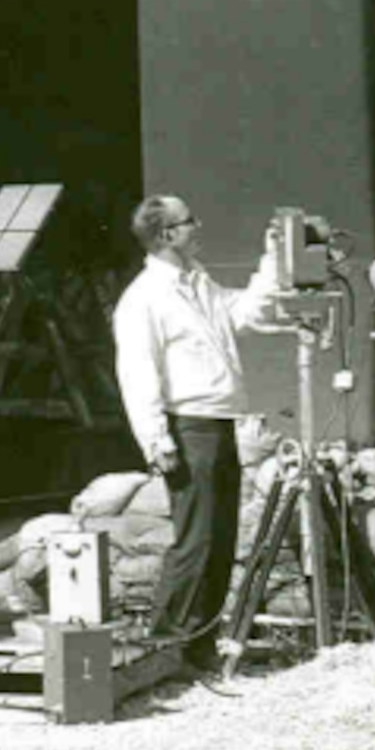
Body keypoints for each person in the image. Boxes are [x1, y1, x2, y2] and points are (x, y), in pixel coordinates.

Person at [111, 195, 281, 672]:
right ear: (166, 235)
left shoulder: (197, 282)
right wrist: (156, 440)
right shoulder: (144, 299)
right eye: (189, 222)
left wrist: (273, 261)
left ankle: (200, 643)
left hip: (220, 420)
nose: (198, 227)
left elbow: (244, 314)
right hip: (188, 427)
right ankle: (165, 644)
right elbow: (137, 373)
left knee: (221, 536)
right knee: (197, 538)